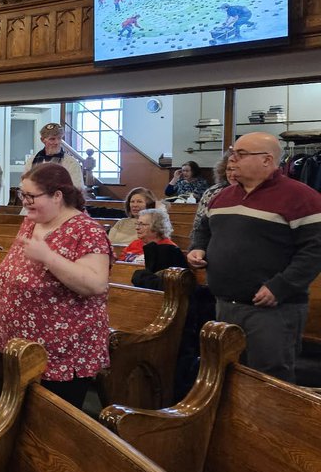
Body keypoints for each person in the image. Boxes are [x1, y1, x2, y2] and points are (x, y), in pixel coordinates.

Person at [187, 132, 321, 383]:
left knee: (268, 381)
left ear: (267, 160)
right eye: (232, 152)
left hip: (273, 310)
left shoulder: (301, 197)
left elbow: (314, 251)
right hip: (225, 305)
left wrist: (280, 287)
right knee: (228, 376)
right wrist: (198, 248)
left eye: (241, 153)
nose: (232, 159)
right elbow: (203, 229)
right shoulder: (223, 196)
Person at [0, 162, 112, 410]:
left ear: (58, 195)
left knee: (48, 425)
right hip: (23, 346)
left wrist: (48, 257)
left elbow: (95, 284)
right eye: (21, 194)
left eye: (31, 196)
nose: (24, 201)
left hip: (62, 350)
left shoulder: (86, 230)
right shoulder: (32, 222)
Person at [127, 208, 189, 289]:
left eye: (142, 224)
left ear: (156, 227)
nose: (137, 228)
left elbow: (166, 282)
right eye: (137, 224)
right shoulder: (134, 244)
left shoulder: (169, 250)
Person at [24, 122, 85, 189]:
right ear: (42, 140)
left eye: (59, 138)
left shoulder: (71, 162)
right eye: (52, 139)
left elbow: (77, 189)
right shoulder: (31, 161)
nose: (57, 142)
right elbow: (25, 185)